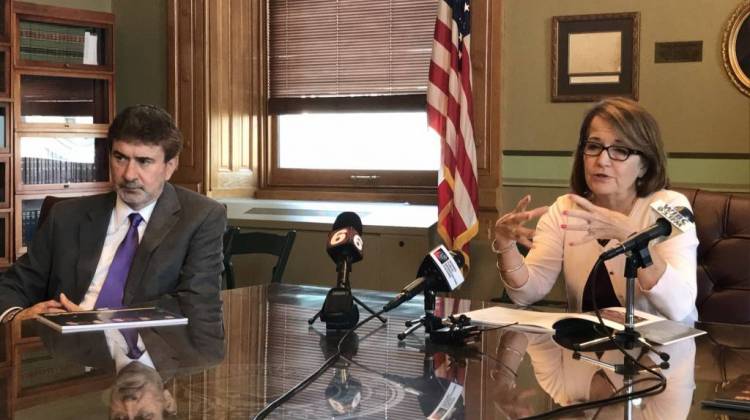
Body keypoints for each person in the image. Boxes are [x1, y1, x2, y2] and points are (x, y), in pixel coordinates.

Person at [0, 105, 227, 340]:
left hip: (148, 358)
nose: (129, 174)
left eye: (144, 161)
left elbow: (198, 307)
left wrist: (101, 321)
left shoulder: (201, 217)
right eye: (120, 158)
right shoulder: (66, 216)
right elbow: (15, 284)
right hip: (66, 354)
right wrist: (16, 317)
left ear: (170, 166)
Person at [492, 97, 699, 323]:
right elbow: (527, 293)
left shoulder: (672, 207)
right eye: (593, 146)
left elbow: (680, 307)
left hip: (662, 353)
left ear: (644, 165)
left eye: (620, 150)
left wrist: (628, 235)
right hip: (582, 351)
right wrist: (505, 243)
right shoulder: (565, 208)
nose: (602, 160)